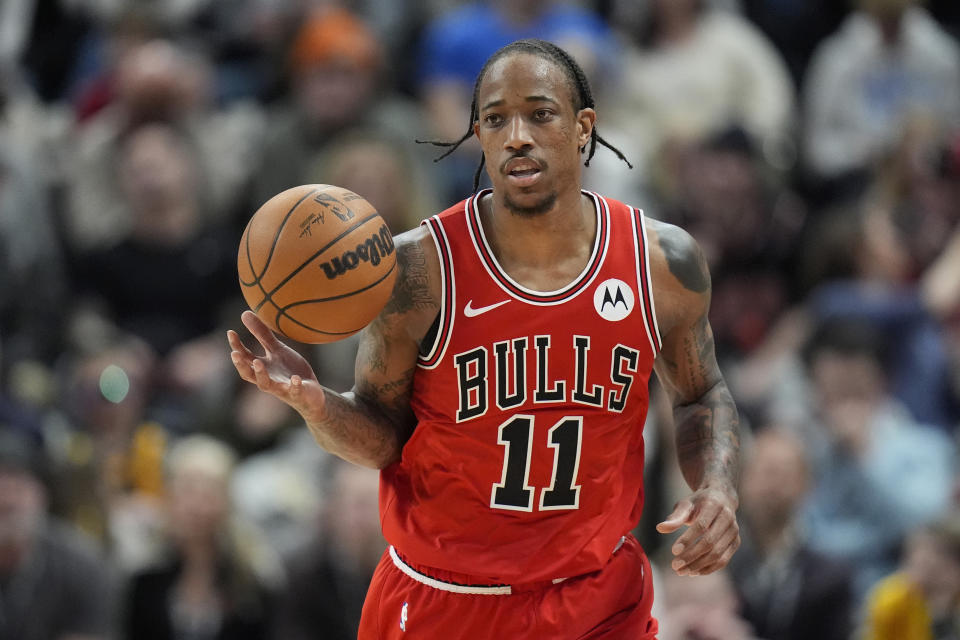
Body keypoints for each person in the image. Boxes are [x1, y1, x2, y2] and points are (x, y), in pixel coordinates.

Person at [228, 38, 741, 638]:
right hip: (443, 599)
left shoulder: (661, 262)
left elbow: (701, 395)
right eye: (496, 119)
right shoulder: (420, 271)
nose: (517, 135)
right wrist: (318, 407)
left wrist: (719, 486)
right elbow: (380, 438)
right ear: (480, 134)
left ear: (584, 127)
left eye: (540, 113)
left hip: (597, 599)